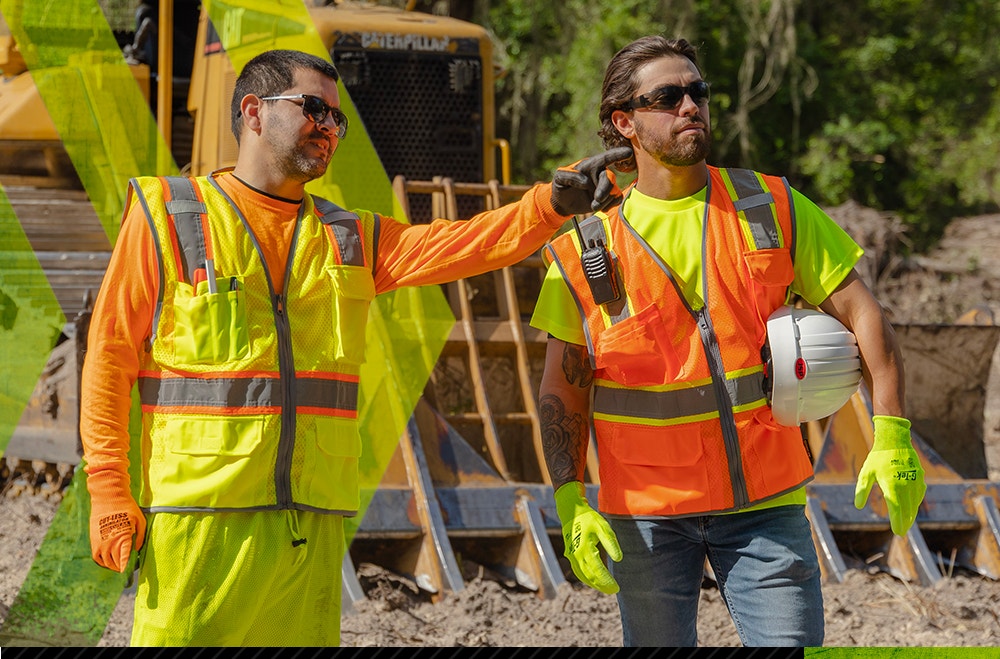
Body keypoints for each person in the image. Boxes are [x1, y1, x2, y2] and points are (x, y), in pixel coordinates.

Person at [79, 48, 629, 646]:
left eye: (338, 118)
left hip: (310, 528)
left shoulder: (348, 236)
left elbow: (460, 244)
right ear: (253, 111)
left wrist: (549, 204)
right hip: (200, 521)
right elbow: (110, 356)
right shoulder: (171, 217)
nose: (329, 128)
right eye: (314, 108)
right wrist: (109, 487)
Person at [530, 36, 927, 647]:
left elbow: (864, 314)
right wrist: (568, 501)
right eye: (668, 96)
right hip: (646, 516)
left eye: (698, 91)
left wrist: (893, 434)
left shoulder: (770, 206)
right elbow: (563, 386)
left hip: (765, 505)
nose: (691, 105)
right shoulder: (586, 247)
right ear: (624, 123)